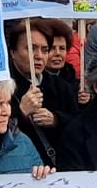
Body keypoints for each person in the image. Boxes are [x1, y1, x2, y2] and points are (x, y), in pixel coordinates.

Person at [7, 19, 64, 166]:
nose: (39, 56)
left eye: (45, 50)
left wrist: (56, 119)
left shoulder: (60, 85)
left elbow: (76, 123)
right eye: (31, 49)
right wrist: (21, 112)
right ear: (13, 52)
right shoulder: (0, 89)